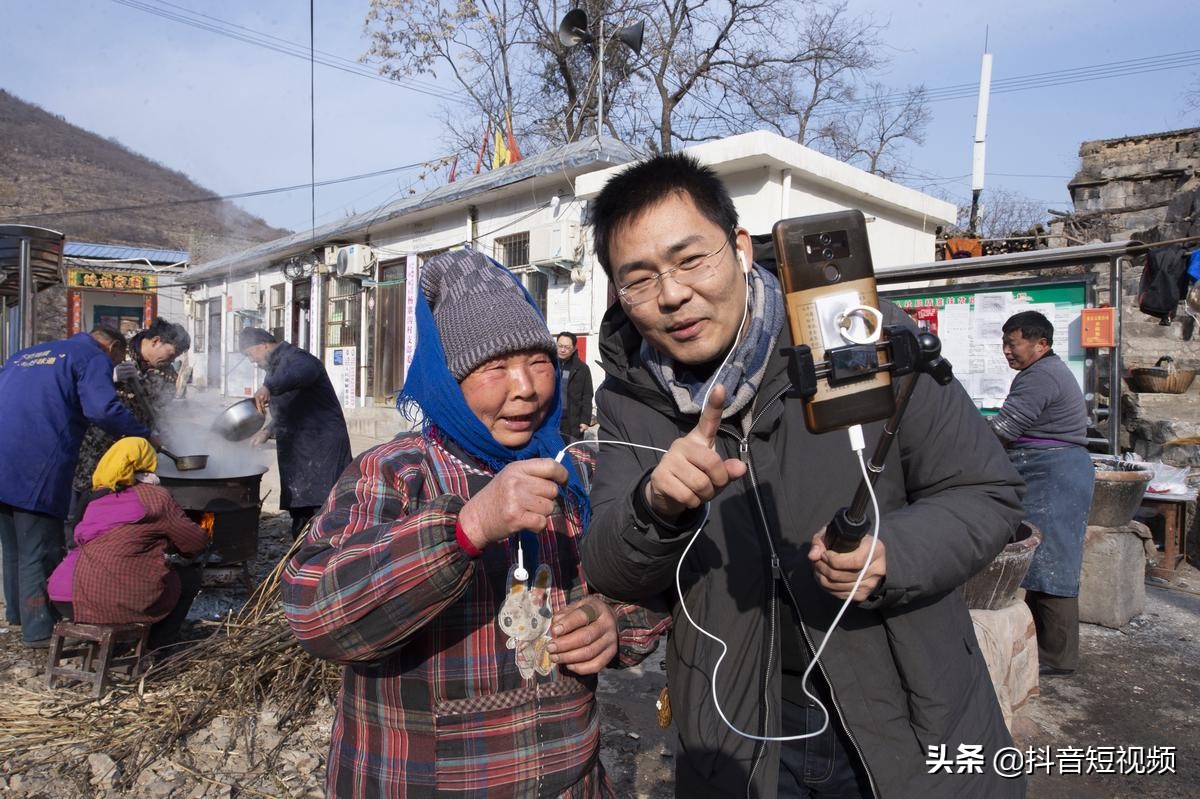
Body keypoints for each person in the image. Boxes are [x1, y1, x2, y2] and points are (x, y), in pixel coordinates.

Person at [580, 153, 1026, 798]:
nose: (673, 294)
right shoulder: (628, 396)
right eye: (639, 279)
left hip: (905, 702)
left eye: (691, 259)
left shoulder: (861, 334)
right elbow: (611, 565)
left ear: (738, 246)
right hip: (737, 725)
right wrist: (655, 506)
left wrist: (891, 555)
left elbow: (985, 490)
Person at [280, 250, 668, 798]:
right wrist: (463, 529)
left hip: (569, 778)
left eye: (538, 362)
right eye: (494, 368)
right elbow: (315, 614)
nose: (527, 388)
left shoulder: (577, 468)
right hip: (422, 779)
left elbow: (644, 575)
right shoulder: (396, 472)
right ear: (446, 379)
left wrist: (616, 620)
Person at [0, 325, 153, 647]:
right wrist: (142, 434)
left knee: (14, 542)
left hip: (4, 452)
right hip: (36, 458)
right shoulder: (91, 357)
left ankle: (18, 615)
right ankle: (40, 630)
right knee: (38, 548)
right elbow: (102, 409)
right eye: (116, 360)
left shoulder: (28, 354)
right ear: (111, 348)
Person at [993, 310, 1094, 678]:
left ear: (1041, 345)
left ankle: (1058, 657)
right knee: (1038, 564)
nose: (1006, 350)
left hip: (1055, 474)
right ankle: (1044, 648)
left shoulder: (1040, 377)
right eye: (1004, 342)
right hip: (1047, 470)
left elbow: (1004, 430)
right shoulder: (1039, 373)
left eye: (1012, 343)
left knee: (1054, 567)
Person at [48, 438, 208, 649]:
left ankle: (115, 644)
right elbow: (194, 542)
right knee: (188, 578)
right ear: (147, 462)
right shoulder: (153, 497)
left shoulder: (93, 496)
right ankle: (155, 650)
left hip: (64, 596)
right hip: (104, 598)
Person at [71, 317, 191, 525]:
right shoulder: (114, 353)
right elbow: (82, 388)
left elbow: (162, 410)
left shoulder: (167, 372)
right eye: (171, 354)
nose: (171, 361)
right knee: (87, 496)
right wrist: (110, 375)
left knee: (122, 503)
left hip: (136, 449)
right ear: (156, 341)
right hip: (97, 445)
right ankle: (78, 541)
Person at [240, 327, 352, 539]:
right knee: (300, 508)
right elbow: (288, 409)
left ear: (262, 344)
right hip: (299, 447)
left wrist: (269, 387)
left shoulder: (296, 358)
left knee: (325, 507)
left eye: (249, 354)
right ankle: (302, 559)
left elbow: (303, 372)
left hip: (321, 445)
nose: (251, 361)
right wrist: (267, 431)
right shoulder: (275, 369)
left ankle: (326, 558)